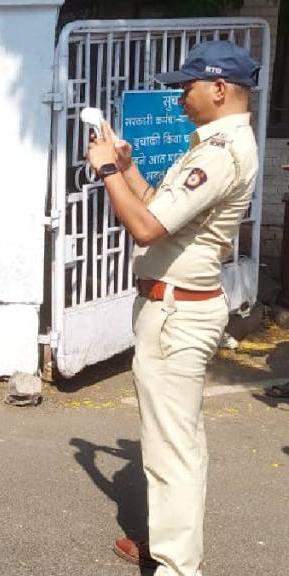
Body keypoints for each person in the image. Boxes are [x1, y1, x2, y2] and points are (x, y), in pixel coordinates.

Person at [85, 40, 260, 576]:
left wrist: (107, 172)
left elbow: (143, 226)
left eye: (186, 87)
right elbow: (162, 209)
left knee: (172, 449)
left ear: (219, 88)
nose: (180, 97)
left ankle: (179, 566)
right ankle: (170, 544)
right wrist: (129, 169)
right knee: (172, 442)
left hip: (178, 314)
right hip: (179, 308)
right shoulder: (214, 144)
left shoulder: (220, 153)